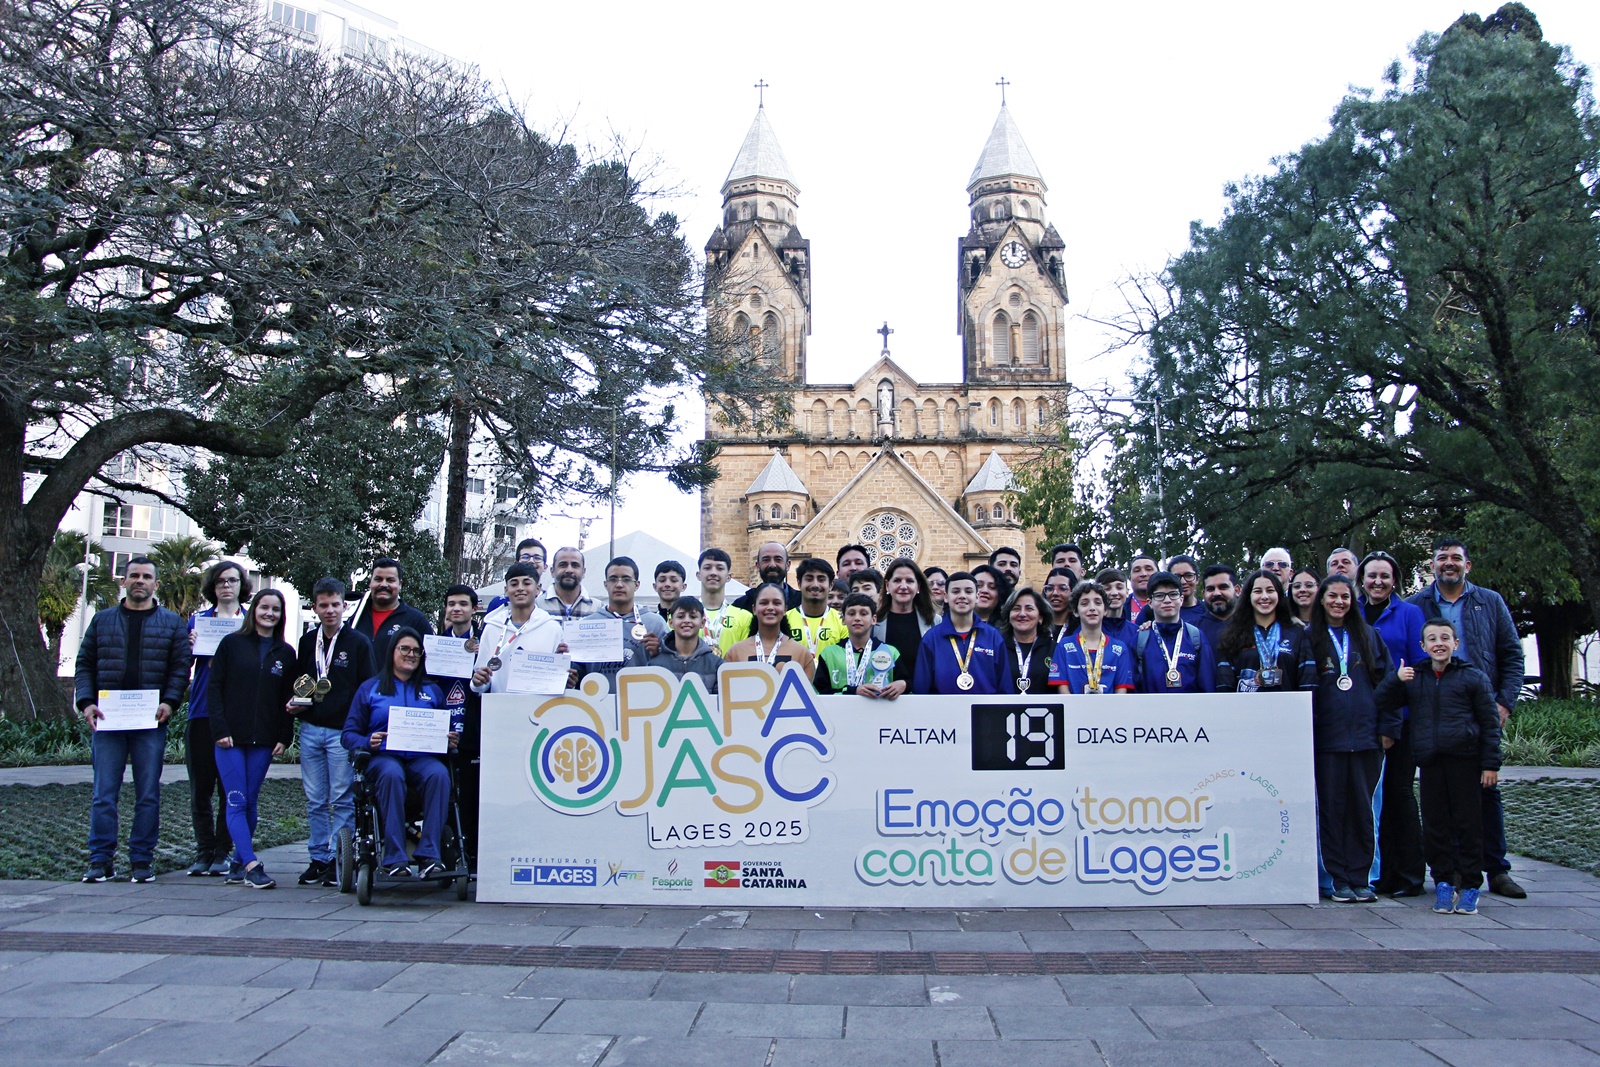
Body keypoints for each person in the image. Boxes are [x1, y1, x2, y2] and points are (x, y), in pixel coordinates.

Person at [1408, 537, 1526, 899]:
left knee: (1485, 792)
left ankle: (1497, 869)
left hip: (1480, 710)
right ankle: (1455, 871)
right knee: (1444, 799)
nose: (1449, 563)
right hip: (1437, 716)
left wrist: (1503, 703)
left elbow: (1512, 655)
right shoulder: (1417, 605)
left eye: (1456, 558)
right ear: (1432, 565)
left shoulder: (1490, 602)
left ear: (1467, 565)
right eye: (1442, 557)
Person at [75, 557, 191, 884]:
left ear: (156, 584)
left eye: (146, 576)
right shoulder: (101, 620)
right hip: (108, 719)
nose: (140, 580)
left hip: (149, 721)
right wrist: (86, 703)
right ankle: (100, 861)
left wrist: (170, 702)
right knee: (103, 794)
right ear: (123, 582)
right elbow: (84, 665)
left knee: (148, 794)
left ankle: (141, 860)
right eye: (134, 575)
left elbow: (180, 668)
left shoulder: (172, 624)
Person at [1375, 620, 1502, 916]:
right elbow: (1381, 700)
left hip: (1466, 761)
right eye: (1432, 639)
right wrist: (1396, 679)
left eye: (1445, 638)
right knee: (1435, 826)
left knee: (1468, 825)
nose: (1439, 643)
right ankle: (1443, 881)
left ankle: (1470, 884)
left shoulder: (1473, 677)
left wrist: (1490, 764)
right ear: (1423, 646)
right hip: (1430, 762)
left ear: (1456, 643)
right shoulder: (1416, 677)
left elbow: (1490, 724)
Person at [1309, 574, 1399, 903]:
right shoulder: (1310, 637)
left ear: (1352, 601)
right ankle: (1337, 879)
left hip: (1366, 738)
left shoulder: (1369, 636)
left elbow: (1389, 684)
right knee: (1331, 811)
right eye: (1332, 596)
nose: (1339, 602)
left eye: (1345, 596)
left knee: (1363, 811)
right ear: (1321, 600)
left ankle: (1361, 878)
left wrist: (1388, 728)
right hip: (1326, 741)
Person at [344, 629, 455, 878]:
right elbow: (348, 735)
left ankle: (430, 853)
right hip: (384, 757)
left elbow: (444, 730)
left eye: (416, 651)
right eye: (404, 648)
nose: (410, 654)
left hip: (421, 758)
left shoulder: (432, 690)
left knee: (439, 774)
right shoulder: (371, 688)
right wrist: (367, 741)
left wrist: (449, 738)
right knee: (391, 773)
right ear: (392, 651)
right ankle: (394, 856)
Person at [208, 589, 297, 889]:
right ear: (254, 610)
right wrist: (219, 729)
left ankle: (237, 864)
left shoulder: (285, 653)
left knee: (250, 801)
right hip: (230, 739)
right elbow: (214, 689)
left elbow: (288, 700)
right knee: (236, 800)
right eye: (264, 607)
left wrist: (284, 735)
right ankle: (251, 865)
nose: (269, 613)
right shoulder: (231, 644)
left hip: (265, 739)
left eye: (276, 609)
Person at [292, 577, 376, 887]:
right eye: (323, 605)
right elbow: (301, 683)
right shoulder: (307, 642)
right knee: (315, 799)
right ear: (314, 607)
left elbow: (368, 688)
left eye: (335, 605)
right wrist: (295, 702)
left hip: (341, 733)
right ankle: (318, 858)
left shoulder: (358, 643)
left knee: (341, 798)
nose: (330, 611)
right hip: (310, 729)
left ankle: (339, 858)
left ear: (344, 606)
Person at [1359, 549, 1429, 898]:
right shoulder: (1352, 611)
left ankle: (1410, 875)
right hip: (1361, 719)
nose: (1378, 582)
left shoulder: (1410, 614)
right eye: (1372, 575)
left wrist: (1397, 716)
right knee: (1372, 798)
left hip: (1400, 720)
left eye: (1384, 576)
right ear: (1361, 580)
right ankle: (1381, 873)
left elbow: (1420, 666)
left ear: (1395, 581)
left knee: (1399, 795)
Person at [184, 560, 251, 876]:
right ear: (213, 587)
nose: (226, 585)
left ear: (242, 585)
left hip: (236, 714)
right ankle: (204, 850)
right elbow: (182, 665)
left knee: (230, 789)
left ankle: (223, 851)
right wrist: (188, 648)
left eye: (232, 580)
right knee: (200, 789)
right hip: (201, 712)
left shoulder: (250, 622)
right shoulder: (197, 621)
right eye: (221, 581)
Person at [435, 583, 482, 870]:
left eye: (463, 604)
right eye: (451, 603)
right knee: (445, 795)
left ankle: (473, 853)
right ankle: (448, 853)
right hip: (442, 730)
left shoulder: (487, 642)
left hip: (473, 731)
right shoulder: (435, 645)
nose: (456, 608)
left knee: (472, 794)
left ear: (474, 609)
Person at [1213, 570, 1316, 693]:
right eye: (1258, 591)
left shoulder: (1296, 634)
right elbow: (1225, 686)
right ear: (1249, 596)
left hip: (1288, 705)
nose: (1265, 596)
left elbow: (1308, 683)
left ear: (1279, 595)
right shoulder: (1232, 635)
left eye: (1270, 590)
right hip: (1246, 705)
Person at [912, 571, 1013, 694]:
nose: (962, 596)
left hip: (984, 706)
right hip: (943, 706)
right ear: (946, 597)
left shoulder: (993, 637)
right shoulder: (931, 639)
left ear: (977, 597)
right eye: (956, 591)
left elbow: (1004, 685)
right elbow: (921, 688)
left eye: (968, 591)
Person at [472, 562, 563, 695]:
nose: (520, 588)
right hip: (500, 705)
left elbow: (557, 678)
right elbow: (481, 681)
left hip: (540, 707)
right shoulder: (492, 628)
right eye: (514, 584)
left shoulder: (552, 628)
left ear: (538, 589)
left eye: (526, 583)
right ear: (506, 590)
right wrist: (477, 683)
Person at [581, 556, 667, 687]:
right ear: (605, 584)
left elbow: (671, 667)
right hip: (597, 698)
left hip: (642, 698)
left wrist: (658, 653)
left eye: (626, 579)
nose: (619, 584)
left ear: (636, 585)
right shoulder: (587, 624)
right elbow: (577, 671)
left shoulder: (655, 623)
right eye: (613, 579)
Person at [1133, 571, 1215, 693]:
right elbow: (1134, 687)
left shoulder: (1195, 637)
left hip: (1190, 705)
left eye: (1173, 594)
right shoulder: (1140, 639)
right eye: (1159, 595)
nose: (1167, 600)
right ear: (1150, 602)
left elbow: (1208, 686)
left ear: (1181, 599)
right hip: (1150, 705)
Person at [1049, 580, 1136, 694]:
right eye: (1085, 603)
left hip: (1110, 706)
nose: (1092, 608)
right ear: (1075, 611)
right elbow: (1062, 689)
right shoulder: (1064, 646)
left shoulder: (1119, 649)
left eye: (1098, 603)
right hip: (1073, 706)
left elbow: (1121, 691)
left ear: (1105, 610)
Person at [352, 557, 433, 666]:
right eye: (378, 579)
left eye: (390, 580)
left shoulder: (416, 620)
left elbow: (429, 662)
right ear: (370, 582)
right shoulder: (353, 614)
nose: (383, 584)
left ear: (400, 584)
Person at [817, 594, 903, 697]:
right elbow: (819, 692)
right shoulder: (829, 654)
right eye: (851, 614)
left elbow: (906, 686)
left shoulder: (891, 652)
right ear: (843, 619)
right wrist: (852, 691)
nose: (857, 618)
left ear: (874, 619)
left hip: (880, 707)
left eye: (863, 614)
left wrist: (904, 684)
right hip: (839, 708)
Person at [725, 583, 816, 676]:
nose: (770, 608)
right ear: (754, 609)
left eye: (777, 603)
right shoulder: (735, 652)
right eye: (764, 603)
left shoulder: (802, 653)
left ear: (785, 609)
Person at [873, 558, 935, 686]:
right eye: (897, 580)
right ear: (887, 585)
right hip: (884, 693)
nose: (903, 586)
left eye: (909, 581)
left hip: (923, 693)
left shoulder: (934, 622)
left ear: (918, 586)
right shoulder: (874, 623)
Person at [647, 596, 722, 691]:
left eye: (693, 617)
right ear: (671, 622)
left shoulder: (716, 665)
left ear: (702, 622)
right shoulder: (655, 665)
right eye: (680, 616)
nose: (686, 621)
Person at [786, 557, 845, 658]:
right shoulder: (785, 620)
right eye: (809, 579)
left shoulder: (842, 621)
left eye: (821, 579)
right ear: (799, 584)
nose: (815, 585)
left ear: (831, 585)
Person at [999, 587, 1054, 694]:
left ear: (1041, 617)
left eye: (1029, 609)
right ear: (1008, 616)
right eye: (1016, 609)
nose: (1022, 614)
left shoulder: (1054, 650)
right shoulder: (998, 648)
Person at [695, 548, 752, 653]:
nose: (713, 572)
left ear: (729, 577)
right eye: (707, 568)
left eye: (719, 568)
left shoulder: (745, 617)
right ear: (698, 575)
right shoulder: (683, 615)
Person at [732, 541, 801, 612]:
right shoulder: (740, 607)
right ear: (757, 566)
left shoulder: (802, 603)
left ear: (788, 565)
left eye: (778, 560)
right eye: (766, 560)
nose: (772, 565)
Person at [483, 538, 546, 615]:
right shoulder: (498, 603)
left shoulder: (552, 602)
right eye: (525, 557)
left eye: (537, 558)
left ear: (545, 566)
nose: (531, 561)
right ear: (516, 563)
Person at [542, 546, 597, 620]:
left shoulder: (597, 609)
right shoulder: (536, 606)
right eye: (563, 565)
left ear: (584, 572)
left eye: (575, 565)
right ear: (552, 571)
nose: (569, 570)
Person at [1197, 564, 1239, 650]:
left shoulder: (1253, 625)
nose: (1216, 593)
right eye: (1210, 589)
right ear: (1204, 594)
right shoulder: (1192, 631)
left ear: (1237, 590)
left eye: (1223, 587)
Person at [1094, 567, 1138, 647]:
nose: (1114, 593)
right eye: (1107, 588)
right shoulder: (1087, 630)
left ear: (1127, 592)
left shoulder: (1136, 632)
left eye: (1119, 587)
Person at [1042, 567, 1077, 643]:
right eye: (1050, 588)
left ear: (1073, 592)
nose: (1055, 593)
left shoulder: (1080, 628)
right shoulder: (1036, 626)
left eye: (1062, 588)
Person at [1127, 553, 1158, 618]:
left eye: (1148, 569)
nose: (1143, 574)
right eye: (1137, 571)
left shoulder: (1172, 603)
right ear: (1130, 578)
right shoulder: (1120, 606)